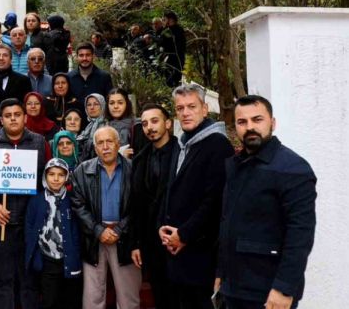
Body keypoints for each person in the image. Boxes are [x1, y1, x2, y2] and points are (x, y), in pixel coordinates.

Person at [216, 95, 316, 309]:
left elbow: (301, 235)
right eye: (242, 122)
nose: (250, 127)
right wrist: (221, 273)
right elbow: (228, 224)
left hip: (268, 290)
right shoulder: (236, 166)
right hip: (234, 287)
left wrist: (283, 288)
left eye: (257, 119)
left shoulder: (293, 169)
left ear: (273, 123)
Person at [159, 84, 234, 309]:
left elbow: (214, 201)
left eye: (192, 106)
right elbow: (170, 189)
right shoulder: (180, 143)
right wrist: (163, 228)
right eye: (180, 108)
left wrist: (184, 235)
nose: (185, 112)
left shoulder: (218, 144)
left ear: (205, 108)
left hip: (201, 254)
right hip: (176, 252)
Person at [0, 98, 51, 309]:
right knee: (2, 278)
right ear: (1, 120)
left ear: (25, 117)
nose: (13, 119)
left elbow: (49, 177)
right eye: (8, 116)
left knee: (29, 278)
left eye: (17, 115)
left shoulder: (39, 142)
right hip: (0, 223)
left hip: (30, 223)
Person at [71, 126, 141, 309]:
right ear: (95, 148)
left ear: (118, 144)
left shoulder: (133, 169)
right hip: (94, 239)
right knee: (93, 298)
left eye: (109, 141)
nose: (105, 147)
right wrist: (97, 230)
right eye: (100, 143)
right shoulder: (82, 171)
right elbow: (78, 204)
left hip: (125, 239)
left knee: (129, 298)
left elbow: (139, 206)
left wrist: (119, 229)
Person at [130, 104, 176, 309]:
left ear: (168, 123)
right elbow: (135, 204)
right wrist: (136, 243)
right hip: (151, 243)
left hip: (178, 241)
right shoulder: (140, 159)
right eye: (145, 123)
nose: (149, 127)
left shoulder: (183, 154)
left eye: (155, 121)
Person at [25, 158, 83, 309]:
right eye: (51, 174)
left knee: (69, 300)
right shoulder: (36, 200)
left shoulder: (72, 200)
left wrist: (76, 255)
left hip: (69, 261)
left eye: (60, 175)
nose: (56, 179)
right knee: (49, 301)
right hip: (46, 261)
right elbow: (29, 229)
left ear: (67, 177)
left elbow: (78, 231)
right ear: (45, 176)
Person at [67, 42, 113, 109]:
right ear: (76, 57)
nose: (84, 58)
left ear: (93, 56)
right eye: (81, 55)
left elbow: (109, 101)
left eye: (88, 55)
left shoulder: (104, 77)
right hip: (77, 118)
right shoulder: (69, 77)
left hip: (99, 118)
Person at [104, 88, 136, 157]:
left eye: (120, 103)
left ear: (127, 104)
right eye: (112, 103)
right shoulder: (103, 128)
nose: (116, 106)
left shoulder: (137, 126)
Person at [77, 93, 108, 161]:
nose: (92, 107)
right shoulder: (87, 127)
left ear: (102, 106)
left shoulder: (108, 126)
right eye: (89, 105)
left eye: (96, 104)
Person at [160, 11, 186, 87]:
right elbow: (162, 43)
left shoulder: (179, 30)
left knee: (176, 78)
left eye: (165, 19)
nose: (164, 20)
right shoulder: (165, 30)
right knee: (167, 77)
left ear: (171, 19)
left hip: (177, 57)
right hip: (169, 57)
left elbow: (180, 45)